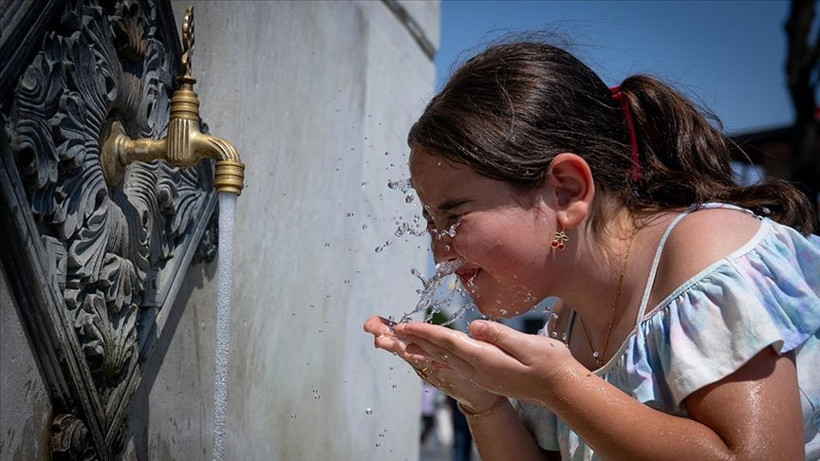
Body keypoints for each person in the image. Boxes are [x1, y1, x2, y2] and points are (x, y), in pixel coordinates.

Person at [364, 39, 820, 460]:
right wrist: (482, 401)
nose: (441, 253)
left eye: (454, 218)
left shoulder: (706, 251)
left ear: (565, 192)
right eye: (430, 223)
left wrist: (560, 386)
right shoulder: (567, 323)